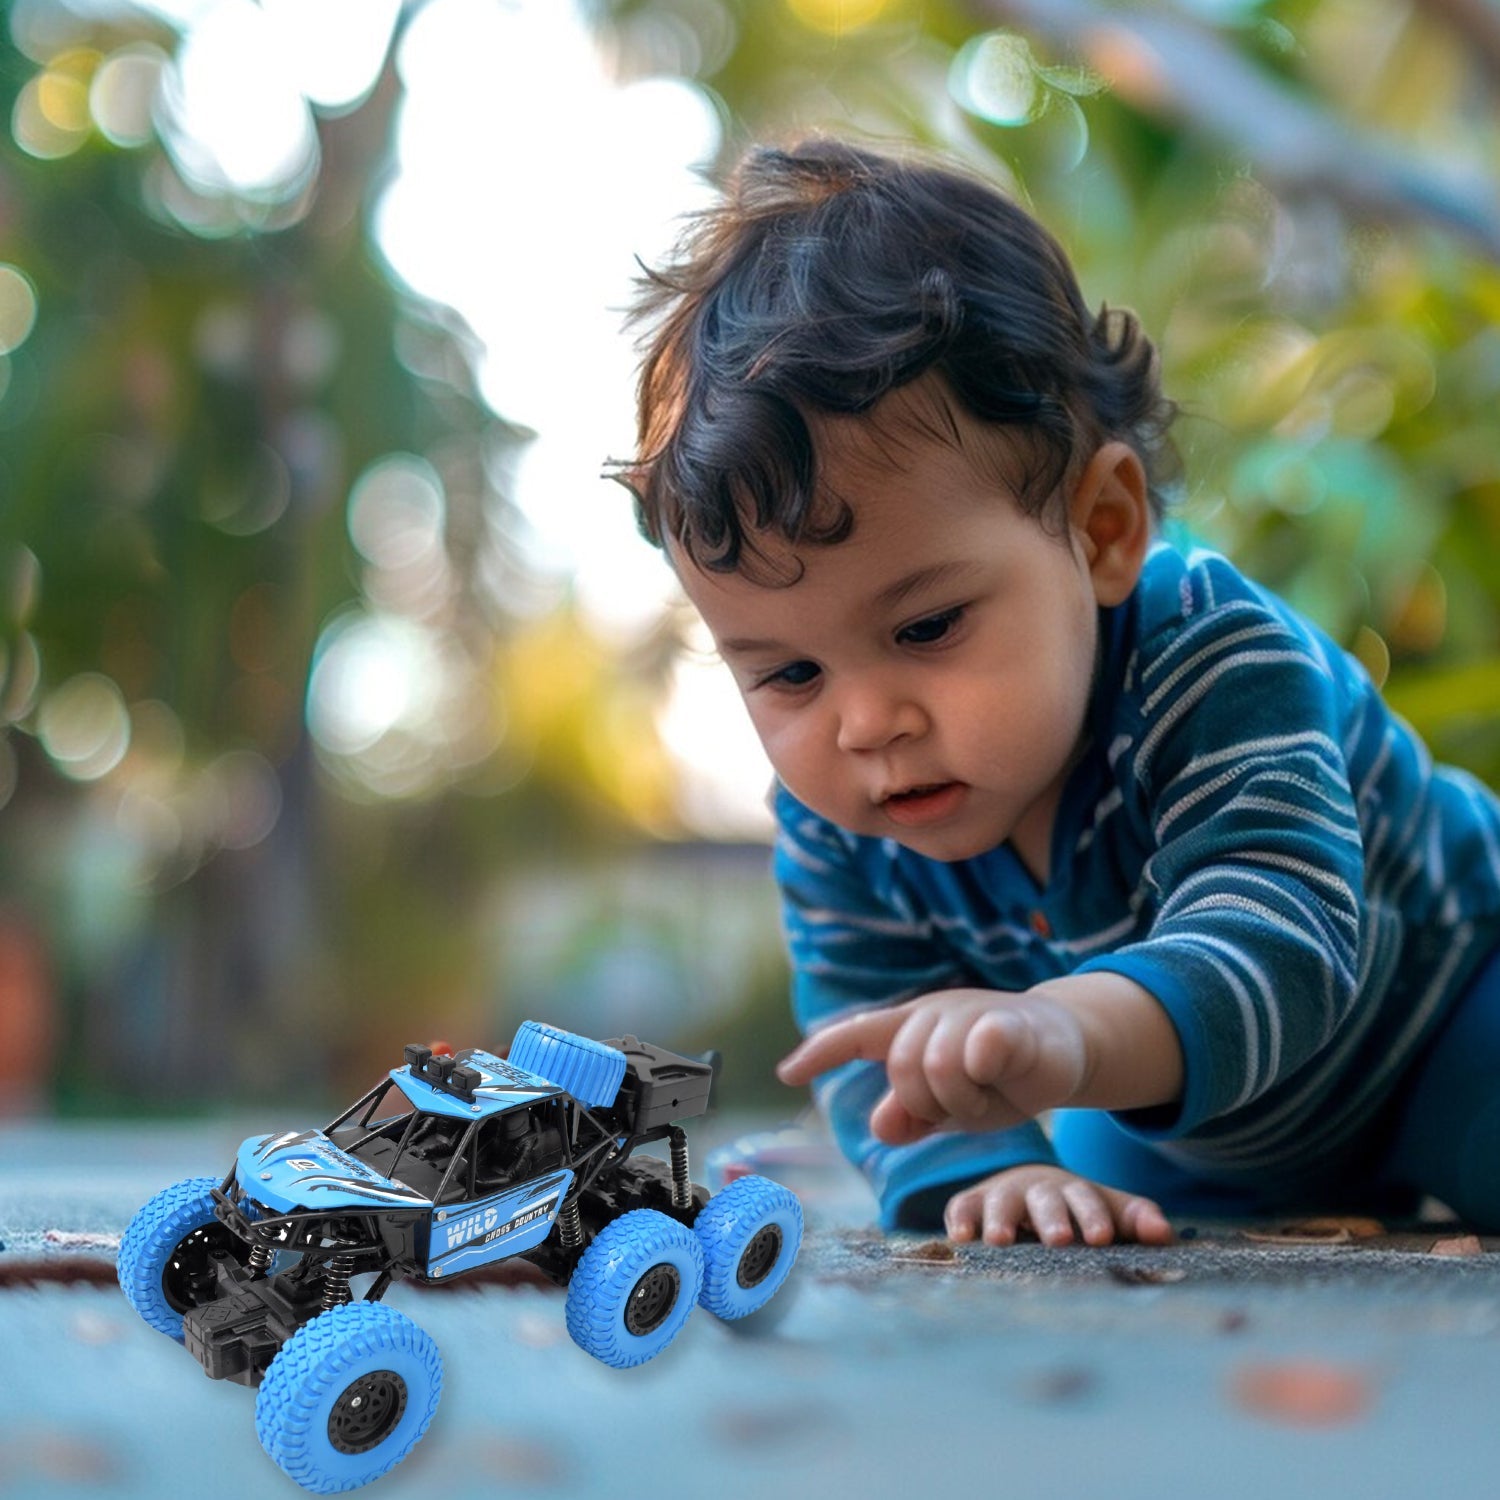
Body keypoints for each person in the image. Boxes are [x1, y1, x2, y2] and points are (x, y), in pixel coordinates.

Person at [618, 134, 1500, 1247]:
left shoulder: (1211, 658)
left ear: (1101, 530)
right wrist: (981, 1166)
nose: (866, 722)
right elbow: (873, 1031)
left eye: (927, 626)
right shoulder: (841, 823)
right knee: (1084, 1180)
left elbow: (1281, 935)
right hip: (1190, 1120)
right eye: (789, 671)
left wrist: (1062, 1034)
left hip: (1445, 1016)